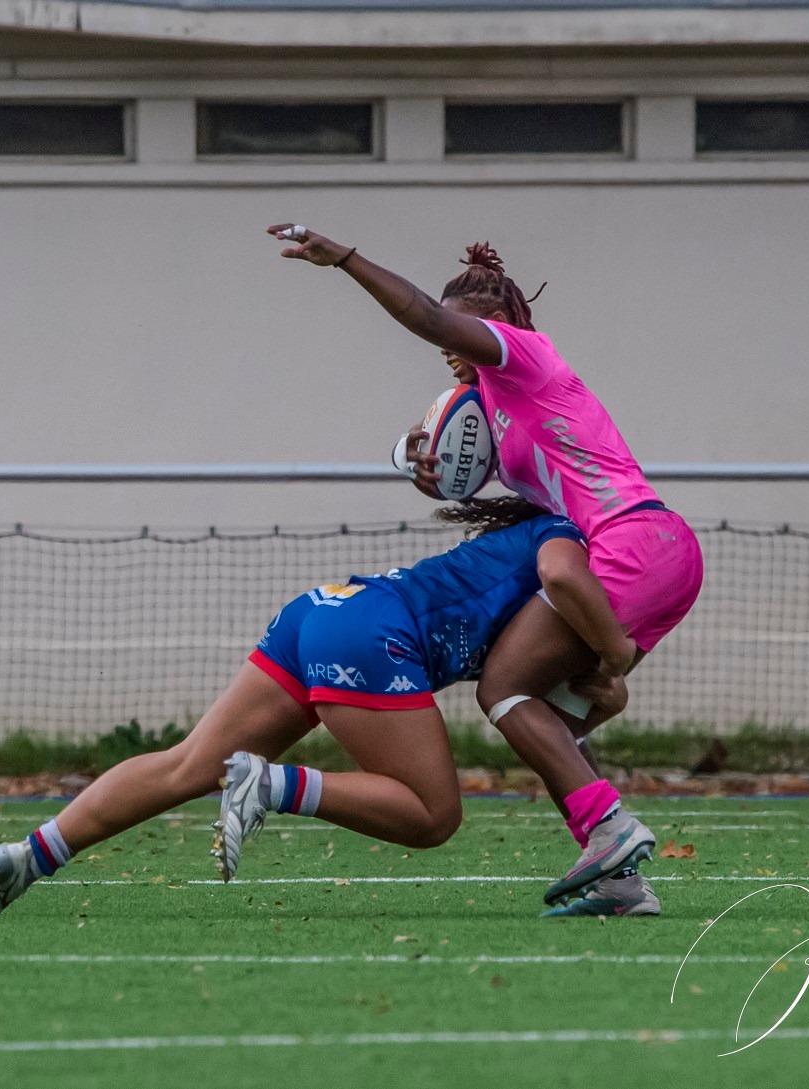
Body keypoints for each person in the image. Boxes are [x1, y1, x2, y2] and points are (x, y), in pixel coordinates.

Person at [266, 224, 703, 916]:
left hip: (627, 545)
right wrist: (419, 465)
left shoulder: (525, 355)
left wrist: (346, 260)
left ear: (496, 323)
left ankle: (611, 830)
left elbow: (426, 316)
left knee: (504, 687)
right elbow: (477, 474)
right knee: (556, 710)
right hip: (660, 549)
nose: (445, 344)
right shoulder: (499, 403)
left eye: (458, 329)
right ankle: (619, 881)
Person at [0, 499, 657, 919]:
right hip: (374, 631)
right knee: (433, 815)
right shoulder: (565, 536)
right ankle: (273, 784)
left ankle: (29, 855)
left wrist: (606, 681)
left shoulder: (528, 548)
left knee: (187, 764)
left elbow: (550, 709)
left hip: (324, 610)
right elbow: (559, 590)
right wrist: (617, 652)